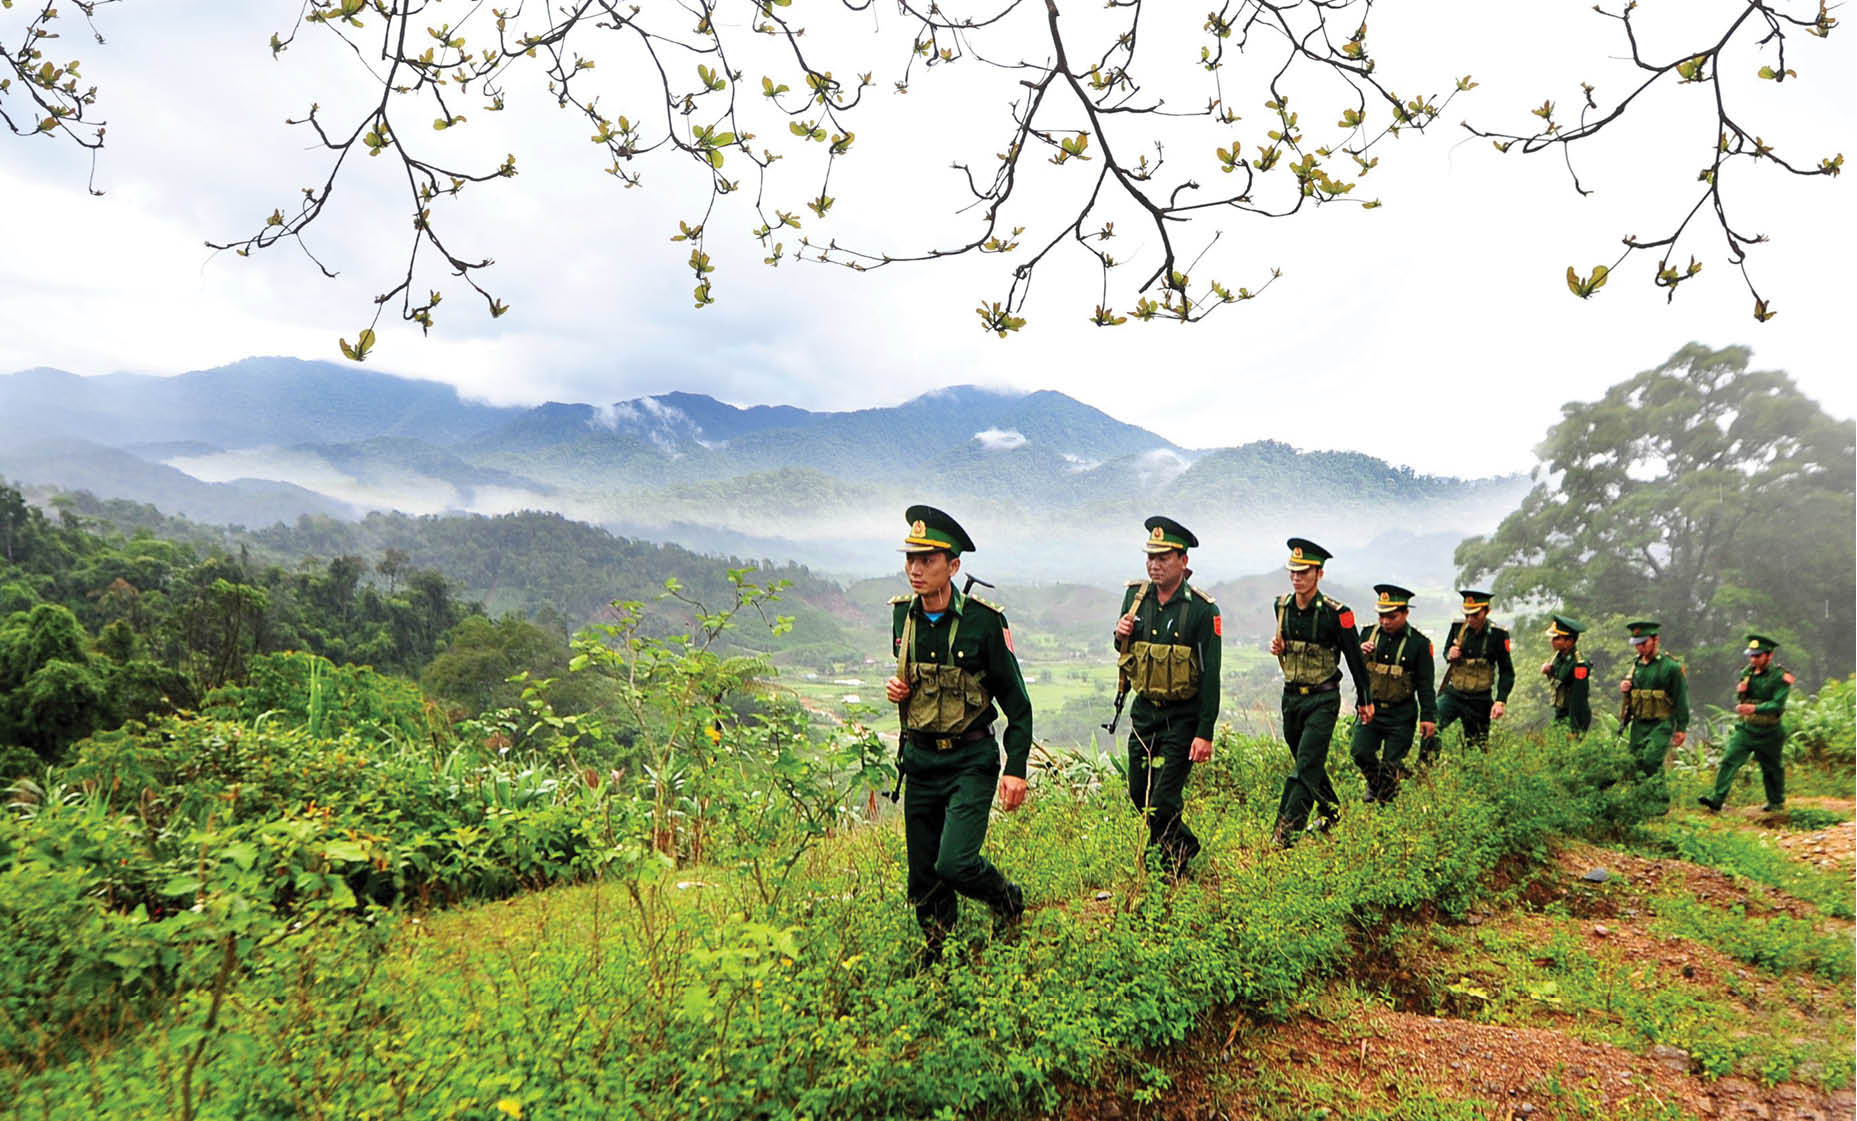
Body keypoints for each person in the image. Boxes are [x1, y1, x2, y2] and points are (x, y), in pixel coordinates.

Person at [884, 505, 1034, 968]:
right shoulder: (902, 618)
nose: (915, 568)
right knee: (924, 876)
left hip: (970, 759)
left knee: (954, 862)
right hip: (921, 761)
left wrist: (1015, 769)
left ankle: (1007, 899)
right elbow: (915, 685)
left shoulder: (984, 624)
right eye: (911, 558)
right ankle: (939, 950)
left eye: (927, 559)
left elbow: (1018, 702)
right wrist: (899, 691)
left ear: (953, 566)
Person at [1113, 516, 1221, 877]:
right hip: (1145, 711)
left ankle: (1167, 866)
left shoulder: (1203, 610)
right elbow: (1124, 649)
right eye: (1150, 557)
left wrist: (1204, 733)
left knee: (1163, 800)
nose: (1154, 564)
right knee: (1138, 793)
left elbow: (1210, 675)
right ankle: (1183, 843)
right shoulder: (1136, 597)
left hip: (1183, 717)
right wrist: (1119, 632)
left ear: (1183, 561)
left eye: (1163, 557)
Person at [1268, 537, 1372, 846]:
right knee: (1306, 761)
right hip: (1291, 698)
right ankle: (1331, 810)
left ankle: (1284, 834)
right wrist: (1278, 647)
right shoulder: (1282, 606)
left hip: (1323, 699)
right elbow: (1285, 645)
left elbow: (1355, 658)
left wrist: (1364, 701)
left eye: (1304, 572)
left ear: (1319, 574)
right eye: (1293, 572)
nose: (1297, 578)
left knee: (1306, 766)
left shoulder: (1336, 613)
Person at [1349, 584, 1436, 804]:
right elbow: (1357, 670)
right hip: (1371, 710)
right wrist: (1360, 654)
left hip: (1401, 715)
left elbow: (1426, 684)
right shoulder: (1368, 634)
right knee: (1359, 751)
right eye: (1382, 616)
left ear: (1405, 613)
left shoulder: (1419, 644)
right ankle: (1378, 785)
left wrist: (1428, 717)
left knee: (1390, 765)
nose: (1385, 622)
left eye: (1392, 616)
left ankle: (1385, 810)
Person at [1699, 633, 1793, 814]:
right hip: (1747, 729)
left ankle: (1776, 803)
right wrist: (1740, 693)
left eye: (1758, 656)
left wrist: (1755, 709)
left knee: (1771, 767)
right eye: (1751, 655)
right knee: (1729, 760)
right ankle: (1717, 800)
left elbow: (1778, 704)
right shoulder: (1746, 673)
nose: (1753, 659)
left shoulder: (1780, 677)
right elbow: (1742, 701)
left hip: (1770, 730)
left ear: (1769, 655)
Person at [1420, 589, 1515, 761]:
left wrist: (1501, 700)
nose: (1470, 619)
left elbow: (1507, 671)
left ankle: (1475, 778)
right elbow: (1445, 652)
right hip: (1454, 694)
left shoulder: (1497, 635)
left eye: (1475, 615)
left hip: (1480, 699)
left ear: (1486, 612)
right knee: (1432, 725)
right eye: (1467, 615)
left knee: (1477, 748)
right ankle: (1426, 769)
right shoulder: (1458, 628)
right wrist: (1450, 654)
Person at [1618, 619, 1688, 809]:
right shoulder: (1635, 667)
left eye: (1643, 643)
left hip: (1661, 723)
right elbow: (1632, 696)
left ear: (1656, 639)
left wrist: (1681, 728)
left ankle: (1660, 803)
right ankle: (1641, 802)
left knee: (1651, 759)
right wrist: (1626, 687)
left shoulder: (1671, 668)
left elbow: (1681, 698)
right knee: (1635, 762)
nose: (1639, 648)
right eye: (1636, 644)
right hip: (1639, 723)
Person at [1541, 613, 1592, 734]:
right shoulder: (1559, 657)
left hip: (1574, 716)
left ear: (1569, 641)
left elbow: (1579, 699)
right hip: (1561, 713)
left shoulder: (1579, 665)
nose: (1553, 641)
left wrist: (1574, 729)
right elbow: (1558, 681)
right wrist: (1549, 671)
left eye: (1557, 638)